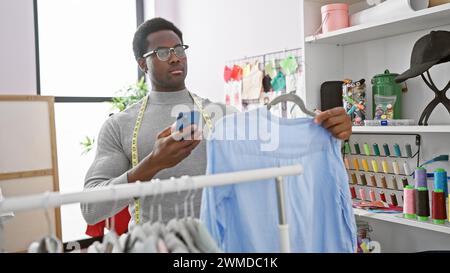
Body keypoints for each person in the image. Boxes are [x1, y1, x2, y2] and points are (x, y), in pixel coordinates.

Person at [80, 17, 352, 229]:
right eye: (162, 53)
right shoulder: (120, 125)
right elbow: (91, 209)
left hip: (218, 244)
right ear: (143, 64)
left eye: (178, 49)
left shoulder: (226, 115)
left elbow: (282, 159)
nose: (175, 57)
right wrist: (153, 164)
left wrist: (326, 131)